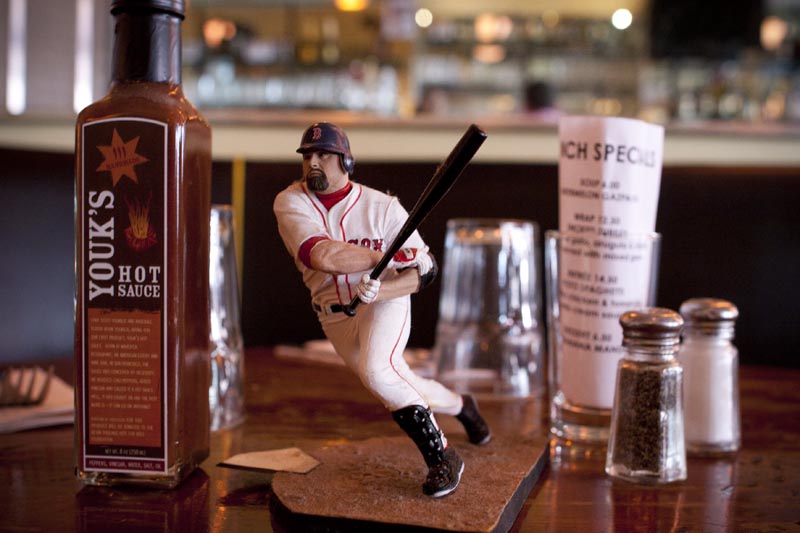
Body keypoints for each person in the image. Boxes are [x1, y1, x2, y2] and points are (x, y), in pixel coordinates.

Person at [273, 122, 491, 498]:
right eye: (307, 155)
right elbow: (322, 254)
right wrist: (385, 257)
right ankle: (462, 406)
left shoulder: (384, 207)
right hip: (334, 314)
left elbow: (424, 274)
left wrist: (386, 286)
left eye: (323, 155)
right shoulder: (290, 201)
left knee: (379, 371)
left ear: (345, 160)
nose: (313, 162)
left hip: (385, 303)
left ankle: (443, 456)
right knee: (399, 379)